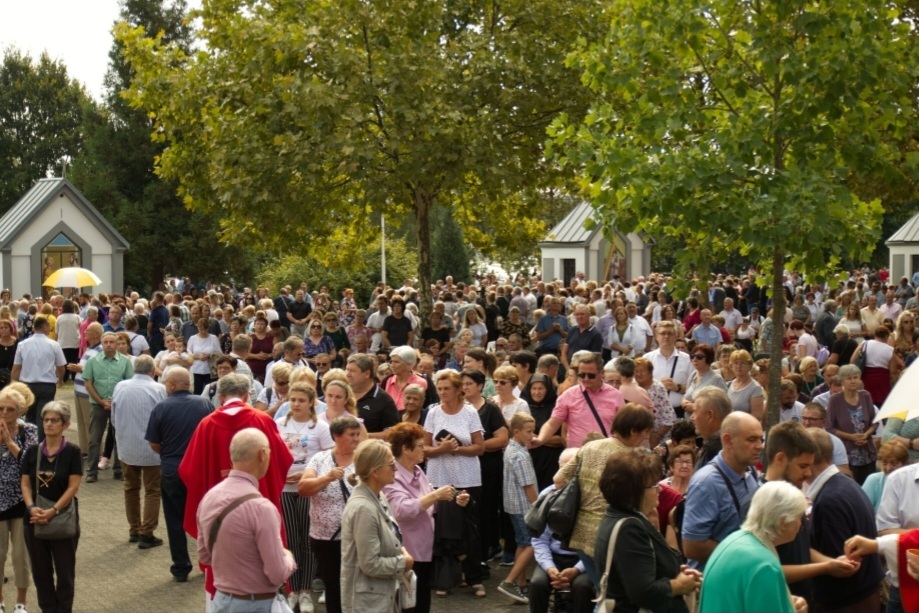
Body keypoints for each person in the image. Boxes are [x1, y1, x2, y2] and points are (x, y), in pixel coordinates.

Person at [179, 374, 294, 604]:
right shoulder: (262, 421)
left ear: (220, 397)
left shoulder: (206, 425)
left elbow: (188, 471)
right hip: (259, 507)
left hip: (219, 514)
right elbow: (283, 461)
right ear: (246, 395)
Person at [195, 428, 296, 613]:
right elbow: (277, 574)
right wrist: (288, 557)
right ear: (263, 454)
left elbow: (204, 555)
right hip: (257, 604)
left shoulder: (209, 497)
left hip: (221, 600)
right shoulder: (261, 508)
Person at [554, 404, 655, 586]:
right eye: (645, 432)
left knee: (603, 595)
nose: (647, 437)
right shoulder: (630, 459)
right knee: (613, 597)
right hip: (612, 536)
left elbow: (559, 479)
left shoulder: (590, 446)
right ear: (633, 430)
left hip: (581, 534)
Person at [594, 449, 701, 612]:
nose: (660, 489)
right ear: (633, 491)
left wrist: (676, 571)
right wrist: (678, 585)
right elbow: (643, 591)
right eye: (654, 485)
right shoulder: (629, 529)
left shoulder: (621, 517)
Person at [384, 422, 468, 613]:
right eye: (420, 446)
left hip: (425, 549)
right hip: (406, 552)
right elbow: (400, 510)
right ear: (405, 448)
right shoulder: (392, 475)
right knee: (407, 605)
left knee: (422, 602)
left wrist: (453, 500)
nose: (425, 449)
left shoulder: (417, 470)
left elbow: (431, 502)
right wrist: (436, 495)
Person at [145, 366, 212, 582]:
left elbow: (154, 443)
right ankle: (208, 562)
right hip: (199, 471)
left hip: (172, 471)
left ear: (172, 384)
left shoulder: (161, 407)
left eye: (166, 384)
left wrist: (169, 453)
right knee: (206, 517)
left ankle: (181, 567)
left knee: (175, 520)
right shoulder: (204, 404)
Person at [698, 482, 808, 613]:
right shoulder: (764, 565)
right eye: (798, 518)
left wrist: (784, 601)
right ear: (783, 522)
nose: (801, 525)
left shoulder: (733, 540)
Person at [807, 428, 884, 611]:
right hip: (864, 596)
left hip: (846, 603)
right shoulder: (846, 484)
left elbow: (837, 566)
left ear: (808, 457)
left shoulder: (829, 500)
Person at [275, 382, 332, 612]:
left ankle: (306, 589)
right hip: (284, 489)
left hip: (308, 490)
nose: (296, 404)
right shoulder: (279, 424)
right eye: (293, 399)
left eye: (301, 400)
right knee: (289, 539)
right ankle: (292, 589)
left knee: (307, 540)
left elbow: (328, 459)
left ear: (311, 403)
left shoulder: (320, 427)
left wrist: (305, 474)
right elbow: (271, 454)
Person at [20, 401, 82, 613]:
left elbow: (73, 486)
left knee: (65, 573)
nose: (49, 424)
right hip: (34, 518)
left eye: (54, 420)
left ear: (65, 424)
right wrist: (30, 507)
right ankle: (47, 609)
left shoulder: (72, 452)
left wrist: (53, 510)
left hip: (63, 517)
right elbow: (25, 483)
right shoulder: (32, 451)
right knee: (40, 572)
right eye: (45, 420)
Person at [682, 411, 763, 571]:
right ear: (728, 440)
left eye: (761, 439)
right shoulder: (706, 482)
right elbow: (692, 545)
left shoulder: (750, 471)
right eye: (752, 439)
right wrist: (746, 555)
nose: (760, 446)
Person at [340, 439, 413, 613]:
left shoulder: (378, 497)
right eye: (391, 464)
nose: (395, 468)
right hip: (367, 604)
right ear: (375, 472)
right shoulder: (363, 509)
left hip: (379, 597)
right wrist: (403, 562)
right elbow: (370, 564)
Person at [298, 415, 361, 613]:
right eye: (351, 435)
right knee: (333, 586)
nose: (356, 439)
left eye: (358, 434)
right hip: (325, 536)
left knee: (358, 586)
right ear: (336, 435)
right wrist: (327, 477)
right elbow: (303, 488)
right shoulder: (320, 459)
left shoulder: (364, 459)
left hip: (357, 535)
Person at [527, 448, 595, 613]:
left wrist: (576, 570)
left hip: (583, 558)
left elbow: (595, 541)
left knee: (582, 586)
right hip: (554, 557)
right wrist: (550, 568)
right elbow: (539, 539)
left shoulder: (592, 498)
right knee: (536, 583)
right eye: (565, 469)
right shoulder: (547, 495)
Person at [111, 355, 167, 549]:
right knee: (152, 490)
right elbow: (163, 419)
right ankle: (147, 532)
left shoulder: (120, 387)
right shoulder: (159, 389)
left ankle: (134, 529)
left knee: (130, 488)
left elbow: (113, 417)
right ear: (152, 370)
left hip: (127, 445)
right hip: (152, 447)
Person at [534, 353, 624, 449]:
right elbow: (552, 424)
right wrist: (540, 439)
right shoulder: (568, 395)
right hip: (577, 455)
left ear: (601, 373)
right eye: (581, 375)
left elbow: (623, 427)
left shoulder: (615, 396)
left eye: (590, 375)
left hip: (606, 454)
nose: (585, 379)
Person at [0, 387, 38, 612]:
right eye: (1, 408)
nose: (4, 413)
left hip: (20, 500)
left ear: (20, 410)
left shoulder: (29, 430)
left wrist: (8, 441)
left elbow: (30, 462)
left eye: (10, 409)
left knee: (20, 556)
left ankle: (21, 603)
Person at [497, 413, 538, 604]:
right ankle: (509, 581)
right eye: (529, 432)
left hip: (514, 506)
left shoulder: (511, 448)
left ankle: (520, 587)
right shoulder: (520, 454)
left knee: (522, 544)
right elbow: (528, 485)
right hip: (524, 507)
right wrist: (538, 507)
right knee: (531, 544)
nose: (532, 435)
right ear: (516, 431)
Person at [83, 332, 134, 483]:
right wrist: (100, 401)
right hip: (98, 404)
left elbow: (129, 383)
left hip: (118, 405)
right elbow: (88, 383)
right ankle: (92, 471)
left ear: (117, 343)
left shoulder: (125, 361)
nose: (109, 344)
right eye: (106, 342)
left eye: (112, 342)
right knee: (94, 438)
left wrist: (118, 400)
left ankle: (119, 469)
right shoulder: (93, 361)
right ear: (101, 343)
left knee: (120, 438)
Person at [826, 364, 878, 485]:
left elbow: (874, 422)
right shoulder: (835, 400)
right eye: (849, 378)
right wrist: (851, 437)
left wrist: (866, 434)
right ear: (842, 380)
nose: (853, 381)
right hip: (846, 454)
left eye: (855, 377)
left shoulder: (865, 395)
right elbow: (829, 427)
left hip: (867, 452)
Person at [11, 316, 65, 427]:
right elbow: (60, 366)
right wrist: (60, 379)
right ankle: (41, 441)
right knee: (44, 415)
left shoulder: (22, 344)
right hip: (47, 385)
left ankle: (30, 441)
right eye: (49, 327)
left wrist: (13, 383)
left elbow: (16, 367)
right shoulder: (54, 344)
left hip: (27, 384)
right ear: (44, 327)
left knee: (29, 415)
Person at [644, 321, 693, 419]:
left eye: (670, 333)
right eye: (663, 333)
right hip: (654, 413)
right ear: (656, 336)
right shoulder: (647, 358)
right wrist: (658, 386)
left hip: (680, 413)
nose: (666, 336)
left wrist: (676, 387)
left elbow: (694, 389)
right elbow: (640, 387)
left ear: (675, 336)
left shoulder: (687, 359)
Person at [850, 326, 900, 407]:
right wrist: (896, 385)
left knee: (864, 402)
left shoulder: (864, 343)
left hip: (865, 378)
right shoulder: (890, 349)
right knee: (880, 404)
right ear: (887, 336)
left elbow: (852, 360)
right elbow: (893, 372)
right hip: (882, 382)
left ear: (875, 335)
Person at [862, 441, 909, 511]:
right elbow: (862, 511)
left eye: (893, 463)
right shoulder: (873, 480)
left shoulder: (912, 483)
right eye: (884, 463)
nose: (888, 468)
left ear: (904, 464)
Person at [681, 344, 727, 415]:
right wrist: (684, 401)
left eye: (699, 357)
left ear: (708, 359)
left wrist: (694, 407)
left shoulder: (717, 379)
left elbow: (723, 405)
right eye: (692, 356)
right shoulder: (693, 375)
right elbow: (686, 395)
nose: (695, 359)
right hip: (689, 420)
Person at [383, 346, 427, 411]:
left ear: (409, 364)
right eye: (391, 361)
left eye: (396, 362)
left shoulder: (419, 382)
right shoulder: (389, 380)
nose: (392, 365)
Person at [187, 318, 220, 394]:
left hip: (210, 371)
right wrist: (198, 357)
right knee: (197, 392)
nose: (203, 331)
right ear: (197, 328)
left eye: (205, 329)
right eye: (201, 329)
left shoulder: (213, 338)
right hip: (196, 370)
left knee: (211, 392)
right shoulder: (192, 338)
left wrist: (210, 355)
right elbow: (188, 353)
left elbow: (219, 353)